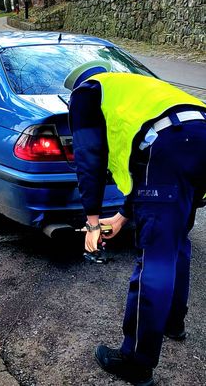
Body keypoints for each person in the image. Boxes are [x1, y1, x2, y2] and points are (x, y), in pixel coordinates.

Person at [65, 61, 206, 386]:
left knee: (154, 256)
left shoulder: (87, 93)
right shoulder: (137, 89)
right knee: (176, 239)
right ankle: (172, 322)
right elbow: (140, 158)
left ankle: (137, 361)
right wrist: (122, 216)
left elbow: (90, 160)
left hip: (170, 148)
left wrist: (92, 222)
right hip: (198, 137)